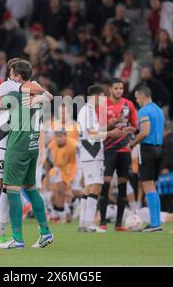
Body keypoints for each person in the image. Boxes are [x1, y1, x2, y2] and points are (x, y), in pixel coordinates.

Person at [0, 59, 46, 247]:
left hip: (12, 143)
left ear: (18, 75)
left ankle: (2, 231)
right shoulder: (8, 85)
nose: (8, 75)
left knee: (7, 189)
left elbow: (37, 90)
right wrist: (42, 94)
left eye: (11, 72)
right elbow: (38, 89)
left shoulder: (20, 88)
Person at [77, 85, 120, 232]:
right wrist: (112, 133)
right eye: (102, 97)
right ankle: (88, 223)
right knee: (96, 185)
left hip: (88, 152)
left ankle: (83, 223)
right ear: (95, 97)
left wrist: (110, 127)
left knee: (89, 186)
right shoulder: (88, 111)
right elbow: (92, 133)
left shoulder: (87, 110)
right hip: (92, 151)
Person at [99, 78, 138, 232]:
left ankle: (119, 224)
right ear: (110, 89)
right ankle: (102, 222)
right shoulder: (102, 105)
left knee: (123, 187)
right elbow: (97, 130)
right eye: (116, 88)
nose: (119, 91)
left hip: (124, 151)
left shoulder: (128, 104)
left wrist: (131, 129)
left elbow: (135, 127)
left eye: (121, 88)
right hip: (108, 151)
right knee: (105, 185)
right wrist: (111, 124)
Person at [126, 85, 164, 232]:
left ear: (143, 96)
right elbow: (150, 129)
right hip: (159, 149)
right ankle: (157, 222)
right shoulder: (159, 110)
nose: (136, 100)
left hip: (147, 150)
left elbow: (146, 132)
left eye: (137, 96)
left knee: (147, 186)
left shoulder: (143, 111)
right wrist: (135, 130)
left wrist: (132, 144)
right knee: (152, 186)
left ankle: (154, 224)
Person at [44, 131, 80, 223]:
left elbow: (78, 160)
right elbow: (47, 162)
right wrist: (47, 177)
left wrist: (74, 176)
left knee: (74, 191)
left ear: (65, 136)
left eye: (61, 136)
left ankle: (75, 204)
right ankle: (64, 213)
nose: (59, 138)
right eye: (57, 136)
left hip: (74, 168)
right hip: (59, 169)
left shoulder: (74, 145)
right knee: (58, 191)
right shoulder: (51, 146)